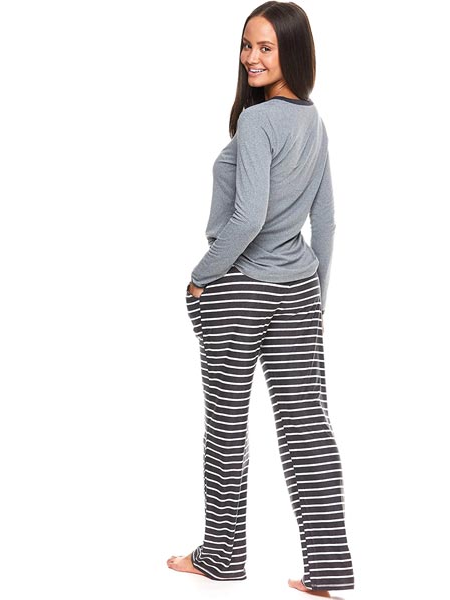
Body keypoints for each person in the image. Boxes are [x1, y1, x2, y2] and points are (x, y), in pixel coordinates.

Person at [167, 2, 354, 596]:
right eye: (247, 45)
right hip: (298, 289)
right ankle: (327, 568)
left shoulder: (257, 122)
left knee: (226, 429)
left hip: (238, 288)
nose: (251, 57)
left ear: (292, 51)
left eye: (266, 47)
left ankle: (222, 557)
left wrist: (199, 278)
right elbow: (326, 225)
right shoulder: (314, 122)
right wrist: (316, 300)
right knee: (308, 429)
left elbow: (246, 219)